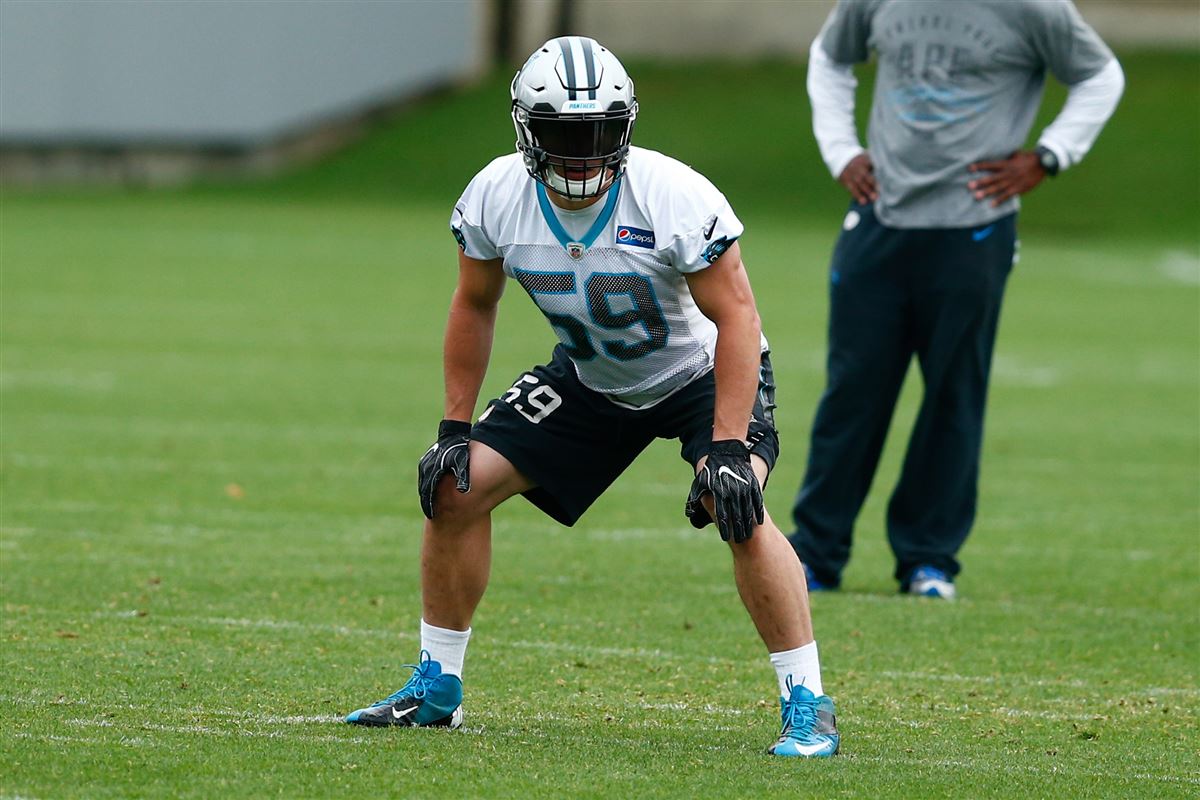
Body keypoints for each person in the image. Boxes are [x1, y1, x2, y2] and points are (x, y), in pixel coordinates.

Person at [343, 36, 839, 757]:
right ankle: (436, 687)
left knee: (733, 503)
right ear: (525, 131)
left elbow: (738, 319)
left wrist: (729, 446)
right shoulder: (496, 196)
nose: (581, 156)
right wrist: (453, 425)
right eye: (563, 137)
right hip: (590, 376)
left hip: (701, 374)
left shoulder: (673, 195)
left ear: (626, 130)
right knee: (454, 486)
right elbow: (473, 305)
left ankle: (808, 703)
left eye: (599, 136)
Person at [790, 0, 1124, 599]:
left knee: (953, 393)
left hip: (974, 228)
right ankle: (814, 554)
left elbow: (1101, 75)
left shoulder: (1035, 8)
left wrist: (1050, 156)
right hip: (877, 220)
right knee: (853, 390)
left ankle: (928, 559)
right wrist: (840, 149)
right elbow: (830, 57)